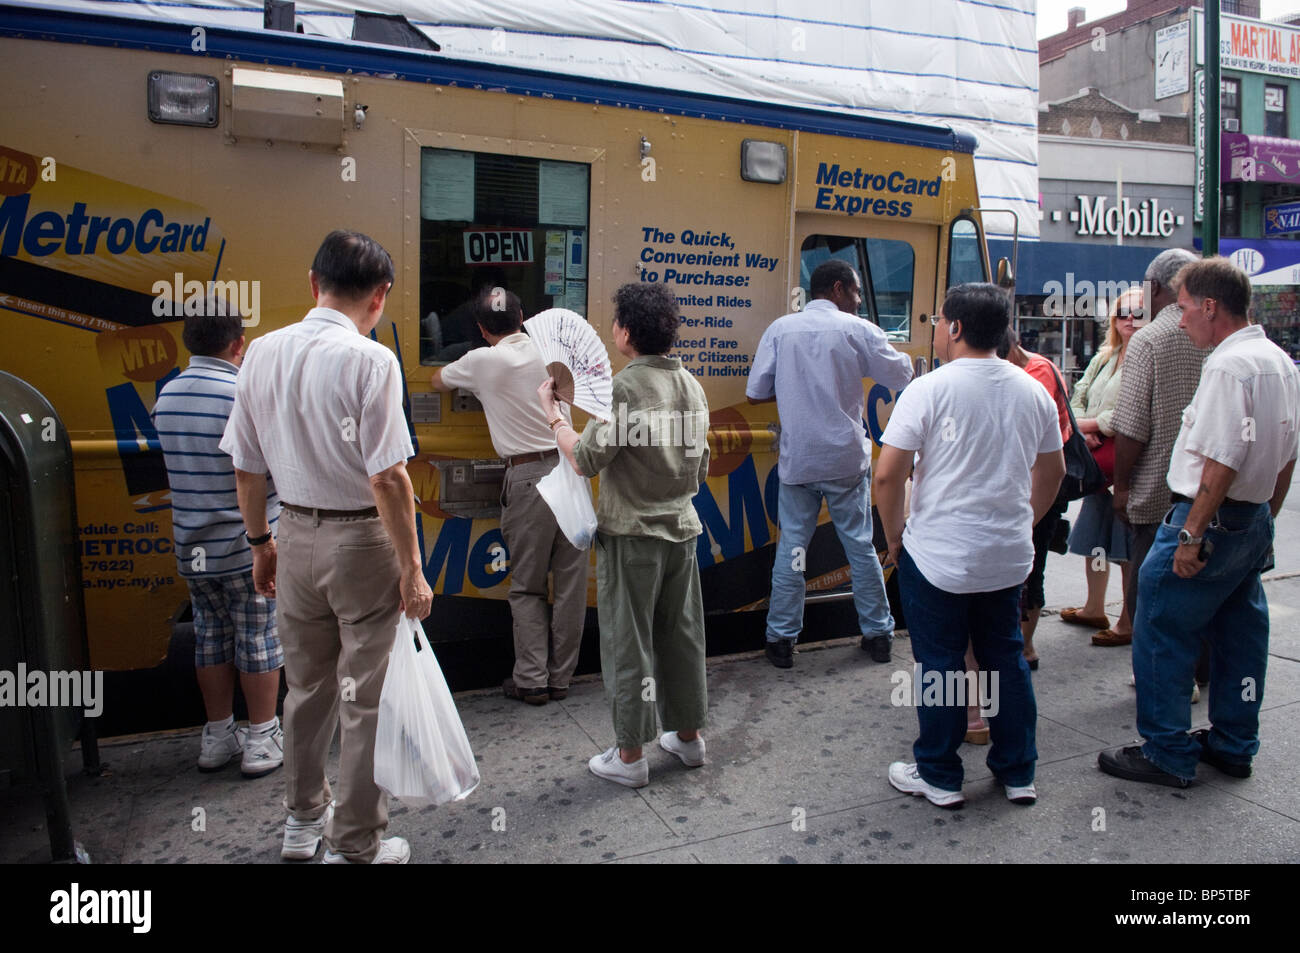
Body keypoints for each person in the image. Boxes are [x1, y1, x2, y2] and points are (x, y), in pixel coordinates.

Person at [221, 230, 433, 863]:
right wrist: (412, 569)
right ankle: (356, 844)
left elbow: (247, 467)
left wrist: (262, 544)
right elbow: (390, 477)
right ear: (382, 296)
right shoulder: (372, 361)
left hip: (295, 537)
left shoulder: (260, 352)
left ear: (313, 283)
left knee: (307, 690)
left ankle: (301, 824)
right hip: (362, 543)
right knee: (363, 699)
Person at [1099, 257, 1299, 787]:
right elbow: (1285, 456)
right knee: (1240, 633)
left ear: (1210, 306)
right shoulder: (1278, 360)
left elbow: (1221, 460)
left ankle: (1166, 750)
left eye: (1185, 307)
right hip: (1249, 518)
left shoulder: (1229, 367)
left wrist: (1191, 536)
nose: (1179, 318)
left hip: (1207, 518)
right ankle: (1233, 742)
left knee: (1161, 622)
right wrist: (1263, 522)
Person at [875, 283, 1064, 808]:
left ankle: (939, 774)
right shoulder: (1033, 390)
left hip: (938, 557)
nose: (935, 329)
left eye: (938, 321)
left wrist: (895, 538)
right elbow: (1054, 470)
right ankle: (1018, 771)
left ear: (955, 328)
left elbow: (888, 477)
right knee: (1005, 658)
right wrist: (1025, 521)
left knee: (940, 662)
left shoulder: (929, 389)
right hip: (1006, 555)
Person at [540, 282, 710, 788]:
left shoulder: (625, 388)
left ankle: (631, 755)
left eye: (615, 322)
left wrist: (555, 416)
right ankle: (688, 737)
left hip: (632, 537)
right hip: (682, 532)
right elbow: (699, 470)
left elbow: (586, 458)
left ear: (626, 331)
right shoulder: (692, 387)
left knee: (628, 642)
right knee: (681, 637)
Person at [745, 259, 913, 669]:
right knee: (859, 546)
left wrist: (794, 391)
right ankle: (878, 635)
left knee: (792, 549)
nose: (857, 301)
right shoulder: (858, 330)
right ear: (838, 289)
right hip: (844, 461)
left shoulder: (780, 330)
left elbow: (754, 393)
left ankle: (781, 641)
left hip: (799, 461)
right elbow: (903, 375)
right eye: (856, 292)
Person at [432, 292, 587, 705]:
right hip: (570, 467)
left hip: (528, 479)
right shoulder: (552, 351)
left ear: (482, 330)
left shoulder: (482, 360)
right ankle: (561, 679)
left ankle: (532, 679)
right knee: (571, 585)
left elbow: (435, 380)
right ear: (523, 317)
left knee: (528, 587)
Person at [153, 304, 283, 777]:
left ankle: (217, 735)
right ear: (237, 344)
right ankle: (262, 737)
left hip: (193, 545)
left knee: (209, 637)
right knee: (259, 637)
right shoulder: (241, 392)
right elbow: (263, 466)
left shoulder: (167, 395)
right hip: (245, 544)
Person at [1109, 249, 1205, 643]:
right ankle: (1199, 668)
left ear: (1153, 288)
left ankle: (1157, 672)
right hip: (1211, 495)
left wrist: (1123, 487)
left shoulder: (1148, 339)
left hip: (1157, 494)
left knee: (1150, 591)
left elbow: (1131, 427)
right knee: (1199, 593)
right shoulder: (1217, 335)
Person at [1059, 288, 1143, 646]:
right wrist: (1084, 427)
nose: (1129, 320)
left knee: (1125, 545)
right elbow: (1075, 397)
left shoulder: (1146, 357)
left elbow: (1127, 414)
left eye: (1138, 313)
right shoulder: (1107, 355)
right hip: (1096, 460)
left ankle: (1128, 620)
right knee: (1095, 537)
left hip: (1125, 462)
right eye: (1123, 312)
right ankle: (1095, 606)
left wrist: (1086, 427)